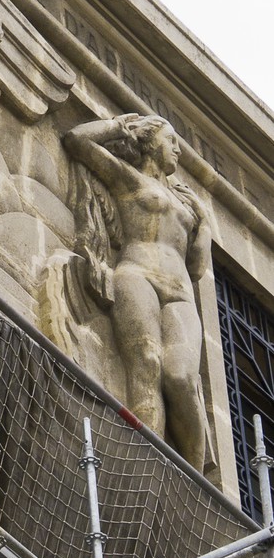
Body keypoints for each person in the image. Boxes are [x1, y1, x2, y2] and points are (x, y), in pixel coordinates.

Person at [63, 113, 211, 468]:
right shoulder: (129, 177)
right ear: (149, 141)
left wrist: (204, 223)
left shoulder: (186, 203)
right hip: (136, 274)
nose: (177, 149)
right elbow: (76, 140)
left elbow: (197, 268)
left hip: (180, 291)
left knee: (181, 376)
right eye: (170, 139)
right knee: (147, 362)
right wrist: (118, 126)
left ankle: (193, 481)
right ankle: (149, 466)